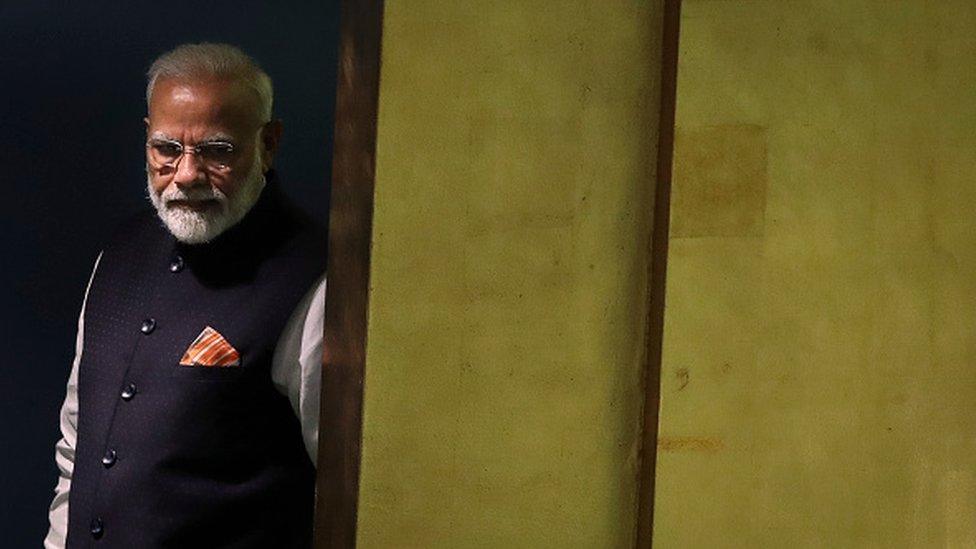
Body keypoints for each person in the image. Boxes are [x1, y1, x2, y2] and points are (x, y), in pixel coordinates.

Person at [44, 43, 326, 548]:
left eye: (218, 151)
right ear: (147, 141)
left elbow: (345, 484)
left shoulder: (315, 279)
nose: (188, 173)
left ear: (269, 144)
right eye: (167, 148)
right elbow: (77, 448)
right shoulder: (118, 253)